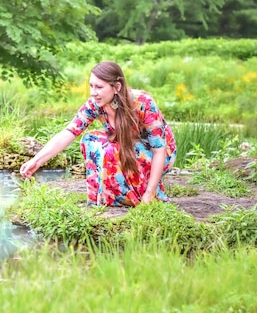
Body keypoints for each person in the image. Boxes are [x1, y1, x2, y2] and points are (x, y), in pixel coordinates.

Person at [19, 61, 176, 207]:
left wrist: (150, 192)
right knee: (90, 139)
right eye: (91, 86)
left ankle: (141, 193)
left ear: (117, 87)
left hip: (160, 154)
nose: (93, 93)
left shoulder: (143, 102)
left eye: (99, 87)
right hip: (127, 148)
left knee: (113, 149)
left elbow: (159, 149)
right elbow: (69, 132)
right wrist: (37, 161)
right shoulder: (95, 104)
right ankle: (105, 197)